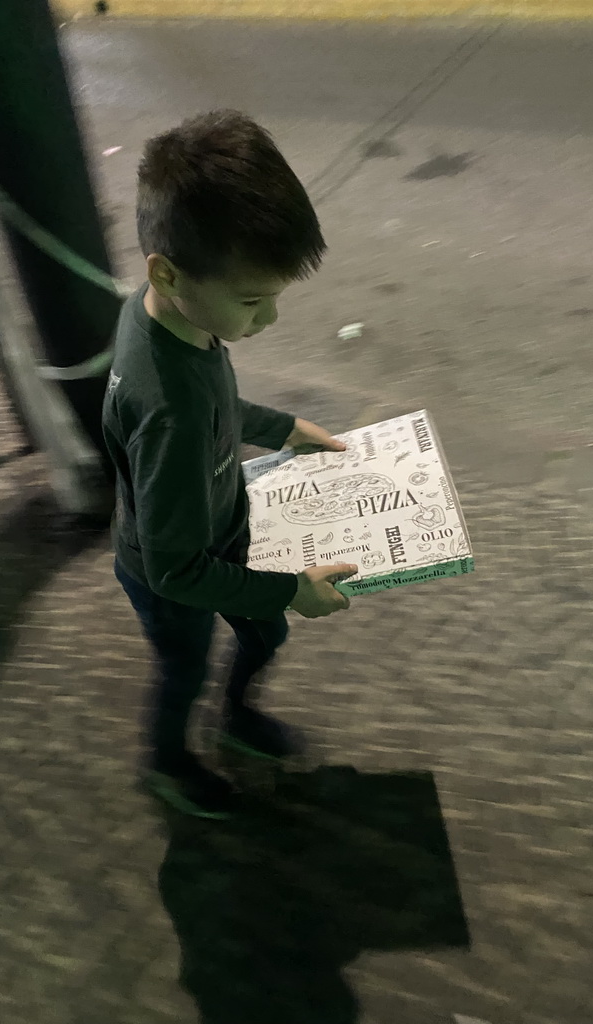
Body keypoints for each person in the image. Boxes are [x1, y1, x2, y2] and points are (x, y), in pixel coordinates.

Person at [102, 109, 358, 819]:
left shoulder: (167, 315)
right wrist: (288, 590)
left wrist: (283, 429)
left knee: (262, 630)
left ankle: (237, 715)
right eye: (253, 300)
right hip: (170, 566)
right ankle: (167, 761)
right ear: (167, 270)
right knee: (184, 665)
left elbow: (220, 405)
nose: (267, 320)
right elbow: (172, 567)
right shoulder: (170, 410)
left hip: (218, 522)